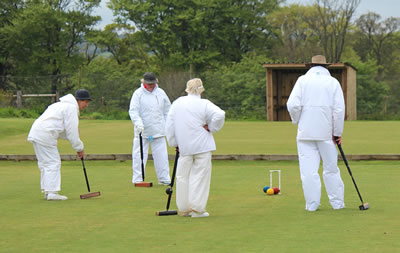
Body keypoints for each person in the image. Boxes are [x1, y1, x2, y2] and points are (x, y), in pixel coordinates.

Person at [286, 55, 346, 211]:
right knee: (331, 169)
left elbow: (292, 105)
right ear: (326, 67)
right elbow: (339, 110)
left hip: (305, 133)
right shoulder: (333, 83)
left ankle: (312, 205)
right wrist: (337, 133)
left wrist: (298, 120)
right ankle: (337, 204)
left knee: (308, 171)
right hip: (327, 133)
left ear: (310, 66)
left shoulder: (302, 81)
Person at [165, 78, 225, 218]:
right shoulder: (204, 103)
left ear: (187, 89)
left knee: (182, 176)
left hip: (184, 146)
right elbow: (220, 114)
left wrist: (174, 142)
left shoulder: (177, 103)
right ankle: (197, 209)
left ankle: (184, 209)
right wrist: (211, 127)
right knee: (200, 176)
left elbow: (169, 124)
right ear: (201, 90)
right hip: (202, 145)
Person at [27, 89, 91, 200]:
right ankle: (52, 193)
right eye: (86, 102)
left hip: (37, 132)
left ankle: (48, 191)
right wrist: (79, 147)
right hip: (45, 134)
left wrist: (76, 142)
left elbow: (63, 130)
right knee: (52, 162)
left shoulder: (59, 105)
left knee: (46, 163)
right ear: (80, 100)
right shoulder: (71, 108)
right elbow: (72, 132)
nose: (87, 105)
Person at [129, 72, 171, 185]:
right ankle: (138, 178)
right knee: (139, 155)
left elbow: (168, 110)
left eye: (153, 83)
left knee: (162, 156)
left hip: (159, 130)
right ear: (144, 83)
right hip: (141, 130)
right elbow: (133, 111)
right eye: (149, 84)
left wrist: (167, 124)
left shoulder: (161, 92)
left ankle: (164, 179)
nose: (151, 86)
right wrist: (138, 123)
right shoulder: (138, 94)